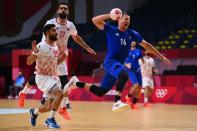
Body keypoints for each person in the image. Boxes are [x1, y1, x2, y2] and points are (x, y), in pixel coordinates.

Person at [66, 10, 171, 112]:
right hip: (110, 62)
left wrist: (161, 56)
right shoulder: (111, 29)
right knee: (124, 75)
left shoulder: (132, 34)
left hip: (118, 64)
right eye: (125, 19)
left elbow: (147, 45)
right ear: (119, 19)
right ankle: (117, 102)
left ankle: (76, 83)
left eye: (129, 20)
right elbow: (94, 20)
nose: (127, 22)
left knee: (101, 91)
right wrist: (110, 15)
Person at [18, 2, 96, 112]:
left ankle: (63, 108)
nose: (63, 10)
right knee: (40, 76)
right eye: (61, 8)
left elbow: (76, 37)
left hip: (61, 55)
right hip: (47, 54)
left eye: (65, 9)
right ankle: (23, 93)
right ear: (58, 11)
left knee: (64, 82)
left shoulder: (70, 25)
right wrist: (40, 52)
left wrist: (87, 48)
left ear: (68, 12)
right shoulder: (50, 23)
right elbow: (44, 40)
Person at [29, 24, 72, 128]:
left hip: (53, 78)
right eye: (53, 30)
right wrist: (34, 52)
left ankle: (34, 112)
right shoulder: (41, 46)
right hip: (42, 78)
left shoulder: (55, 46)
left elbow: (55, 63)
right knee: (61, 94)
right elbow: (29, 62)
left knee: (48, 107)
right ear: (47, 33)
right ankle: (50, 119)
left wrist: (65, 57)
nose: (56, 32)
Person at [124, 42, 143, 109]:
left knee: (140, 87)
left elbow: (141, 59)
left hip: (138, 70)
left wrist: (142, 66)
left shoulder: (138, 51)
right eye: (131, 41)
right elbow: (121, 60)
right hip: (130, 70)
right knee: (136, 84)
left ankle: (134, 104)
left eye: (134, 41)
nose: (132, 42)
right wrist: (126, 65)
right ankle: (128, 97)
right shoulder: (125, 50)